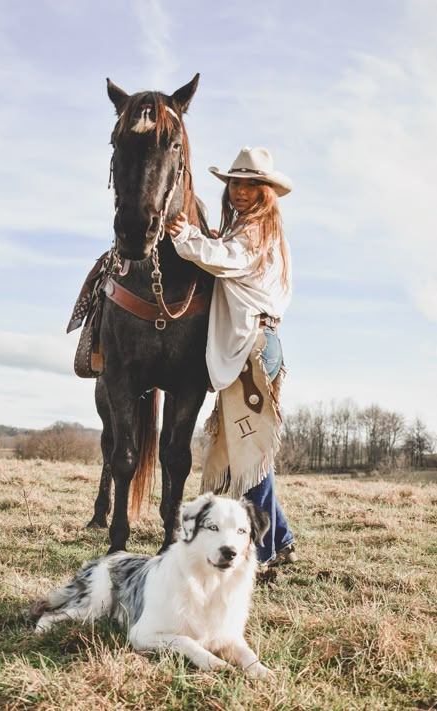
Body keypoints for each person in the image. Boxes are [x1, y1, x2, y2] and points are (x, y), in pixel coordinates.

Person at [165, 146, 297, 566]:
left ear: (265, 191)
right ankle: (282, 538)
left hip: (250, 346)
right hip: (258, 341)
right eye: (235, 183)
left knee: (246, 450)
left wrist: (187, 237)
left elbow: (226, 259)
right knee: (250, 448)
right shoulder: (256, 228)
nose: (239, 191)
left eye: (249, 184)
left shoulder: (254, 232)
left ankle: (265, 551)